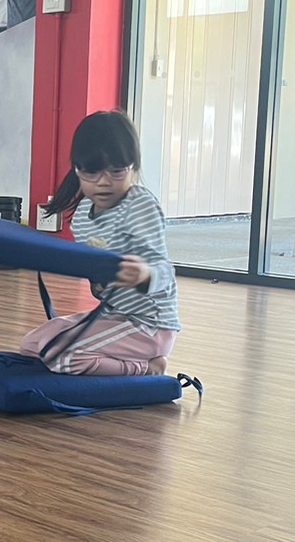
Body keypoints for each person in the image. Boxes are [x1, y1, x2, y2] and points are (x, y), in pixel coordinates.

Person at [21, 111, 180, 376]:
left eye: (117, 172)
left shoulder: (139, 207)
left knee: (58, 356)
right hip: (113, 315)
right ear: (77, 170)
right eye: (92, 172)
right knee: (32, 345)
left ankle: (147, 368)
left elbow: (164, 270)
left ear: (133, 167)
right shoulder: (83, 214)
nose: (104, 182)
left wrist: (144, 274)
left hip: (149, 325)